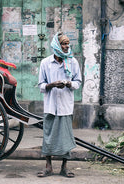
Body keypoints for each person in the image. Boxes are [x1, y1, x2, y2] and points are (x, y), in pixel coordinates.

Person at [37, 32, 82, 178]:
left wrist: (69, 84)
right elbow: (41, 85)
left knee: (65, 138)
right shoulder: (46, 63)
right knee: (48, 137)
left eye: (68, 43)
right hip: (50, 105)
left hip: (65, 106)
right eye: (63, 43)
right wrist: (52, 85)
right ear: (57, 45)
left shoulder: (72, 62)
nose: (66, 46)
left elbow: (78, 82)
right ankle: (48, 167)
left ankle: (64, 167)